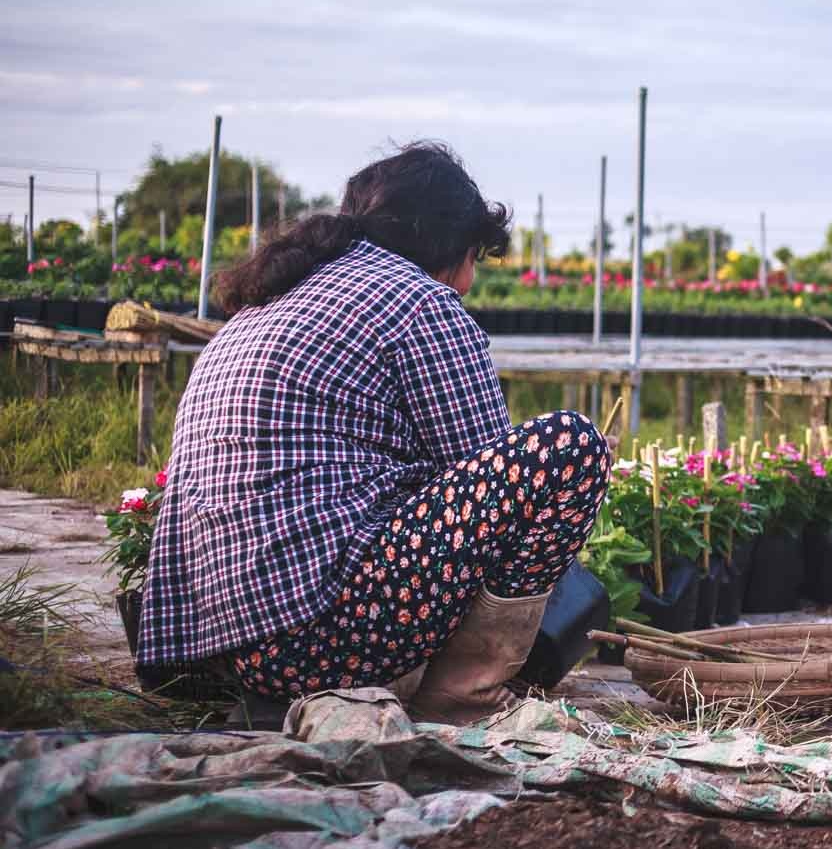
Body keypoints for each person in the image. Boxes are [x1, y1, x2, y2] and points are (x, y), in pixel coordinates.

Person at [136, 142, 611, 723]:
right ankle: (465, 694)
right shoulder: (420, 302)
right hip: (315, 637)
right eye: (471, 259)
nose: (466, 282)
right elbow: (492, 478)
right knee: (568, 448)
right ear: (446, 244)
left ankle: (389, 677)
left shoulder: (271, 303)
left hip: (219, 644)